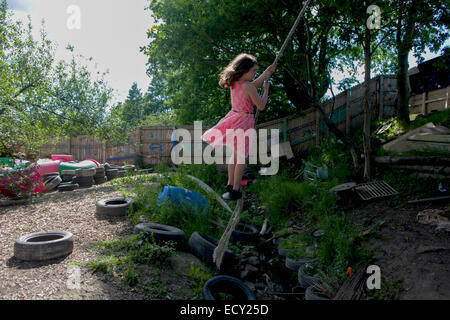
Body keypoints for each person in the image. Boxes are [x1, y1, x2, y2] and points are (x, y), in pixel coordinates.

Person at [202, 53, 276, 200]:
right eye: (253, 71)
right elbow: (260, 105)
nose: (255, 74)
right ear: (244, 71)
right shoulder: (248, 86)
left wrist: (265, 74)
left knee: (234, 156)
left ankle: (230, 184)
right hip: (245, 122)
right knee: (241, 156)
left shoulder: (235, 83)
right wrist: (266, 90)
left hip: (234, 119)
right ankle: (236, 189)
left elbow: (253, 85)